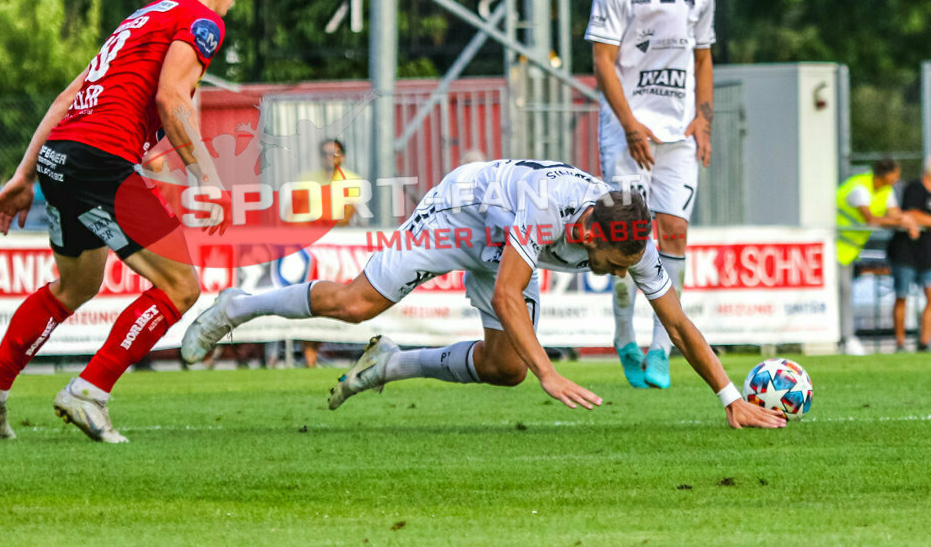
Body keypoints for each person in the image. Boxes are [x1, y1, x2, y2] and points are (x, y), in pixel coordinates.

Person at [182, 159, 786, 429]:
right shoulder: (550, 208)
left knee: (504, 369)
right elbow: (505, 295)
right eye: (612, 264)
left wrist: (729, 396)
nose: (620, 273)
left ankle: (389, 362)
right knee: (355, 304)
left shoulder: (634, 233)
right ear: (585, 233)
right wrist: (551, 373)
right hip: (463, 209)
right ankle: (238, 305)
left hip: (504, 242)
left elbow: (676, 321)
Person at [0, 0, 243, 442]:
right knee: (180, 288)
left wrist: (25, 174)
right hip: (97, 162)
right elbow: (172, 98)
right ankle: (90, 391)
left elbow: (69, 97)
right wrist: (211, 179)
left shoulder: (139, 19)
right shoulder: (200, 20)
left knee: (77, 285)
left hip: (62, 157)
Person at [584, 0, 714, 389]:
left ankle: (662, 348)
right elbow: (602, 61)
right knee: (624, 240)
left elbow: (703, 57)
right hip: (625, 130)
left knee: (674, 231)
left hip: (678, 132)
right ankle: (624, 335)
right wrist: (631, 126)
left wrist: (703, 120)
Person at [284, 138, 362, 367]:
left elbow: (346, 218)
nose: (330, 157)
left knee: (336, 301)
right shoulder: (306, 179)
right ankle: (309, 357)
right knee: (311, 298)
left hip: (338, 254)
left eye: (335, 153)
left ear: (343, 156)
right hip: (310, 252)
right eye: (326, 153)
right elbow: (292, 216)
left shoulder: (352, 180)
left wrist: (314, 225)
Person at [836, 156, 916, 355]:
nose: (897, 179)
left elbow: (895, 213)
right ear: (887, 174)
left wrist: (906, 219)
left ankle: (846, 338)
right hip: (833, 247)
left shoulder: (886, 191)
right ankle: (843, 338)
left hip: (849, 250)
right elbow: (871, 220)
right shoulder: (859, 189)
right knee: (840, 292)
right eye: (895, 175)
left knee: (845, 293)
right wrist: (902, 222)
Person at [885, 158, 931, 351]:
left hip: (927, 253)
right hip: (905, 252)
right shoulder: (915, 187)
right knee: (902, 295)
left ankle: (924, 342)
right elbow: (911, 213)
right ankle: (900, 342)